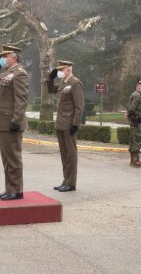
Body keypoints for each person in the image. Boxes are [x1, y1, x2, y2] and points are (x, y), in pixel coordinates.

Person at [0, 44, 29, 201]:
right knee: (6, 159)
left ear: (14, 57)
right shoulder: (6, 72)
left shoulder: (20, 74)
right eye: (2, 56)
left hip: (11, 122)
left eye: (5, 56)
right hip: (1, 122)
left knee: (13, 158)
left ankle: (17, 190)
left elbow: (22, 99)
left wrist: (16, 120)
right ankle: (10, 189)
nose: (2, 58)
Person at [46, 60, 85, 192]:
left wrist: (75, 124)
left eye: (61, 70)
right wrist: (50, 79)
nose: (59, 72)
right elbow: (51, 90)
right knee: (64, 154)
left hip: (69, 124)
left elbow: (79, 107)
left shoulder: (75, 83)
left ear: (68, 69)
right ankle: (66, 180)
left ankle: (71, 182)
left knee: (71, 154)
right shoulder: (63, 83)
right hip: (61, 123)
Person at [127, 79, 141, 167]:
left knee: (134, 138)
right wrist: (137, 116)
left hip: (134, 120)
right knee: (137, 138)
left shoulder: (137, 95)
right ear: (137, 86)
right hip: (136, 121)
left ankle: (133, 160)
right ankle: (135, 161)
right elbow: (131, 109)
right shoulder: (137, 95)